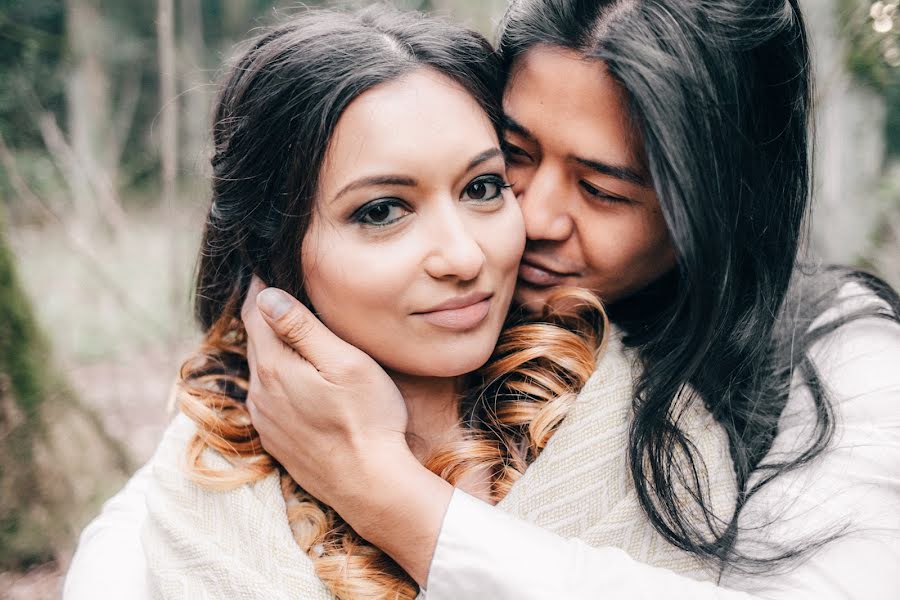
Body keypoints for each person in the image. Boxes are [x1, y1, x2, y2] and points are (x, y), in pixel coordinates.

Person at [241, 0, 900, 598]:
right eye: (510, 159)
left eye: (602, 190)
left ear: (722, 204)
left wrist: (385, 494)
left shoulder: (844, 359)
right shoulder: (429, 308)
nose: (533, 218)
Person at [61, 5, 668, 599]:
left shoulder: (652, 423)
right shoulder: (190, 497)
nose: (462, 256)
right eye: (382, 211)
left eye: (482, 188)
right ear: (273, 249)